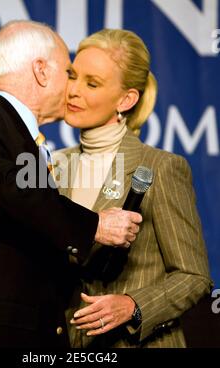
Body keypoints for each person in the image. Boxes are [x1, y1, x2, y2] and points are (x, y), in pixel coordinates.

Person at [0, 22, 142, 348]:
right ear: (41, 70)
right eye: (68, 73)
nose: (72, 87)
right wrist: (95, 224)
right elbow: (6, 191)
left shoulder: (19, 135)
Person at [53, 28, 213, 348]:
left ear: (126, 99)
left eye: (92, 83)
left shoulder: (160, 168)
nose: (73, 90)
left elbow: (194, 278)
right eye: (72, 75)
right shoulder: (53, 165)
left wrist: (133, 306)